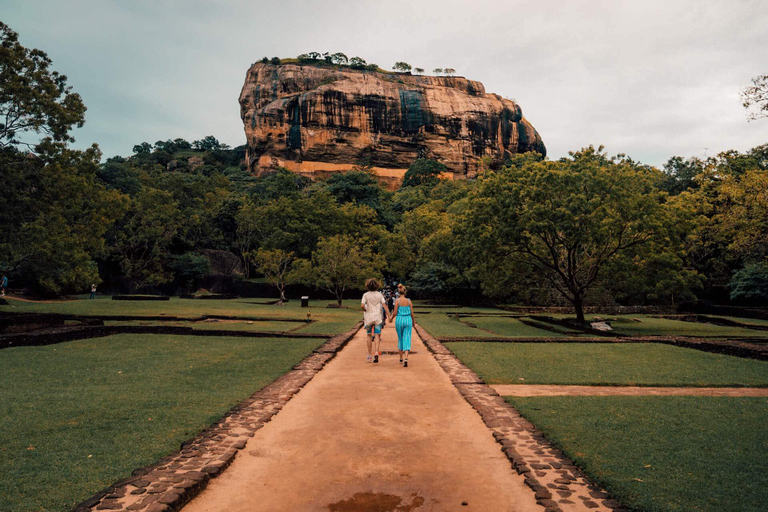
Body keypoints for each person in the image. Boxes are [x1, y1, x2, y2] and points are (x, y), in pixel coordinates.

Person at [361, 278, 387, 363]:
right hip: (377, 318)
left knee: (369, 335)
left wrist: (365, 310)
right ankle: (376, 352)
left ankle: (369, 355)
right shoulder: (379, 295)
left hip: (368, 317)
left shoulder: (365, 295)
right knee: (377, 335)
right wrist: (389, 315)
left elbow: (362, 305)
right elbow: (384, 305)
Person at [391, 283, 414, 367]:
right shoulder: (408, 301)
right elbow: (412, 312)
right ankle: (406, 358)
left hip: (399, 320)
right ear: (405, 292)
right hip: (408, 319)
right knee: (407, 338)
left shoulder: (397, 301)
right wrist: (413, 321)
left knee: (400, 338)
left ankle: (401, 357)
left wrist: (391, 318)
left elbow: (395, 312)